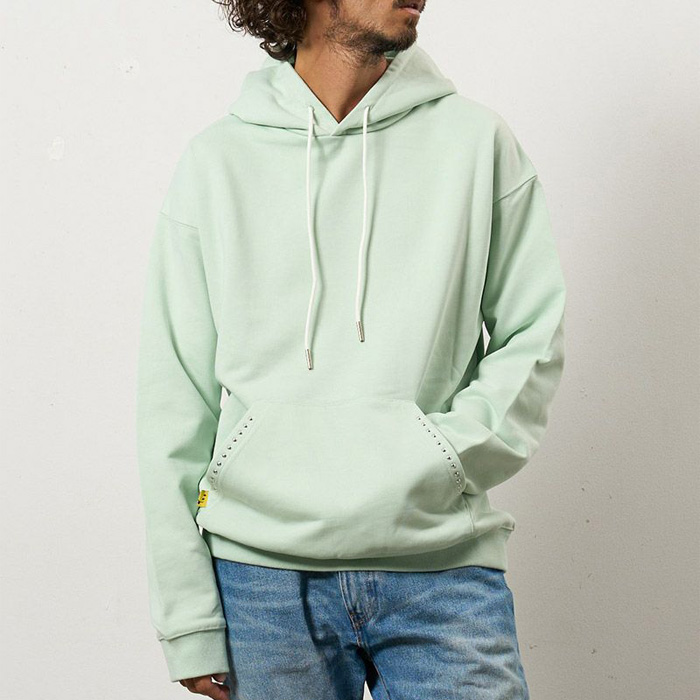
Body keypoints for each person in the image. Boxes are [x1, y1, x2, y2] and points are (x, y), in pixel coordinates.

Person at [135, 1, 567, 698]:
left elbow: (532, 335)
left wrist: (448, 456)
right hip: (260, 580)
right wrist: (188, 617)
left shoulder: (477, 143)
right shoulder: (218, 162)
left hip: (442, 565)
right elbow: (173, 398)